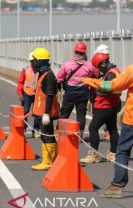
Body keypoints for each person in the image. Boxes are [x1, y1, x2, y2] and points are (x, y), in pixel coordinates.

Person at [79, 64, 133, 199]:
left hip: (131, 120)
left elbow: (113, 86)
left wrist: (88, 80)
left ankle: (117, 186)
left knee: (122, 151)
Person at [80, 53, 121, 164]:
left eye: (98, 66)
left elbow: (106, 89)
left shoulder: (110, 74)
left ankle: (94, 155)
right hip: (113, 104)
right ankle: (113, 153)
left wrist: (91, 82)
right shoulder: (116, 70)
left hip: (104, 105)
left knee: (93, 128)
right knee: (112, 128)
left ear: (103, 63)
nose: (98, 69)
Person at [56, 41, 95, 140]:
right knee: (81, 114)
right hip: (83, 92)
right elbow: (92, 78)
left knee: (65, 112)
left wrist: (58, 90)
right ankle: (80, 134)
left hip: (70, 92)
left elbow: (59, 78)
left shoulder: (67, 64)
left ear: (75, 52)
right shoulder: (89, 66)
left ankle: (59, 132)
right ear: (84, 53)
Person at [30, 48, 60, 170]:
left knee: (47, 135)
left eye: (35, 61)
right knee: (45, 134)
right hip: (40, 111)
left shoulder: (48, 76)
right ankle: (50, 160)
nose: (32, 63)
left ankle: (48, 162)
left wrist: (47, 113)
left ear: (40, 61)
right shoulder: (42, 74)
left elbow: (50, 95)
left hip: (45, 112)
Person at [16, 52, 41, 138]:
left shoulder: (41, 70)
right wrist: (20, 93)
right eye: (34, 61)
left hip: (37, 94)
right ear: (31, 61)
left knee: (37, 113)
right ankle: (23, 129)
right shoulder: (25, 69)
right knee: (25, 112)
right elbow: (20, 82)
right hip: (26, 94)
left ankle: (36, 130)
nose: (36, 62)